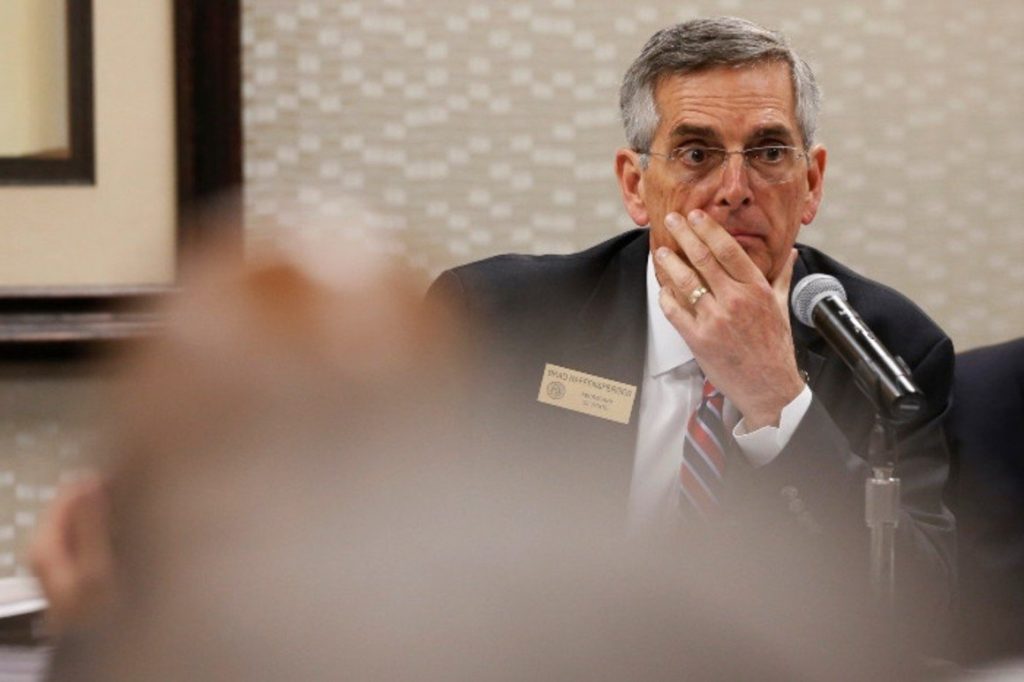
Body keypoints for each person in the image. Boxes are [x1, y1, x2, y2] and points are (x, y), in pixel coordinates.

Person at [427, 16, 956, 642]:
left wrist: (779, 401)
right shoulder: (494, 319)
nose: (734, 190)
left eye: (768, 153)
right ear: (636, 186)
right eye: (697, 154)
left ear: (811, 184)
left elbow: (919, 614)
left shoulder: (890, 352)